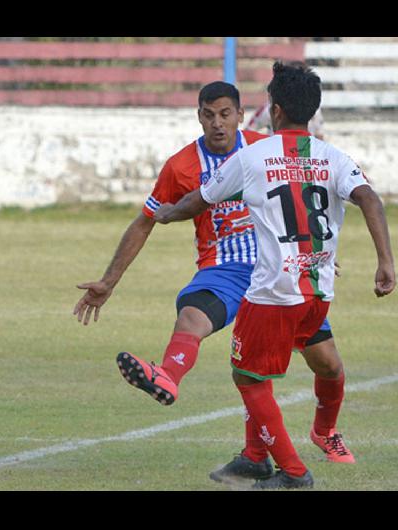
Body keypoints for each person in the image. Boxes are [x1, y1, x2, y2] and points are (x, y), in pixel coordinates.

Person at [73, 80, 357, 481]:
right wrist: (109, 280)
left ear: (241, 115)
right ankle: (167, 377)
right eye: (208, 115)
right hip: (223, 268)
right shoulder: (181, 166)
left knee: (328, 366)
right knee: (192, 319)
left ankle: (322, 433)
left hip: (278, 271)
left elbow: (307, 199)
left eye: (225, 114)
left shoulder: (267, 149)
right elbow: (145, 221)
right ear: (199, 116)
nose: (217, 124)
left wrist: (316, 252)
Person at [154, 61, 395, 489]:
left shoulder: (252, 157)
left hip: (272, 291)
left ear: (275, 109)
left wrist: (167, 213)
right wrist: (386, 263)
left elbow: (200, 200)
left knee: (247, 377)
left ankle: (293, 472)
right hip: (318, 291)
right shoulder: (333, 157)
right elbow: (371, 201)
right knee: (282, 368)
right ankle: (254, 458)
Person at [246, 100, 325, 140]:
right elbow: (248, 131)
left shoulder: (314, 109)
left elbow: (319, 136)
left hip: (305, 157)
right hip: (275, 158)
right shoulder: (268, 109)